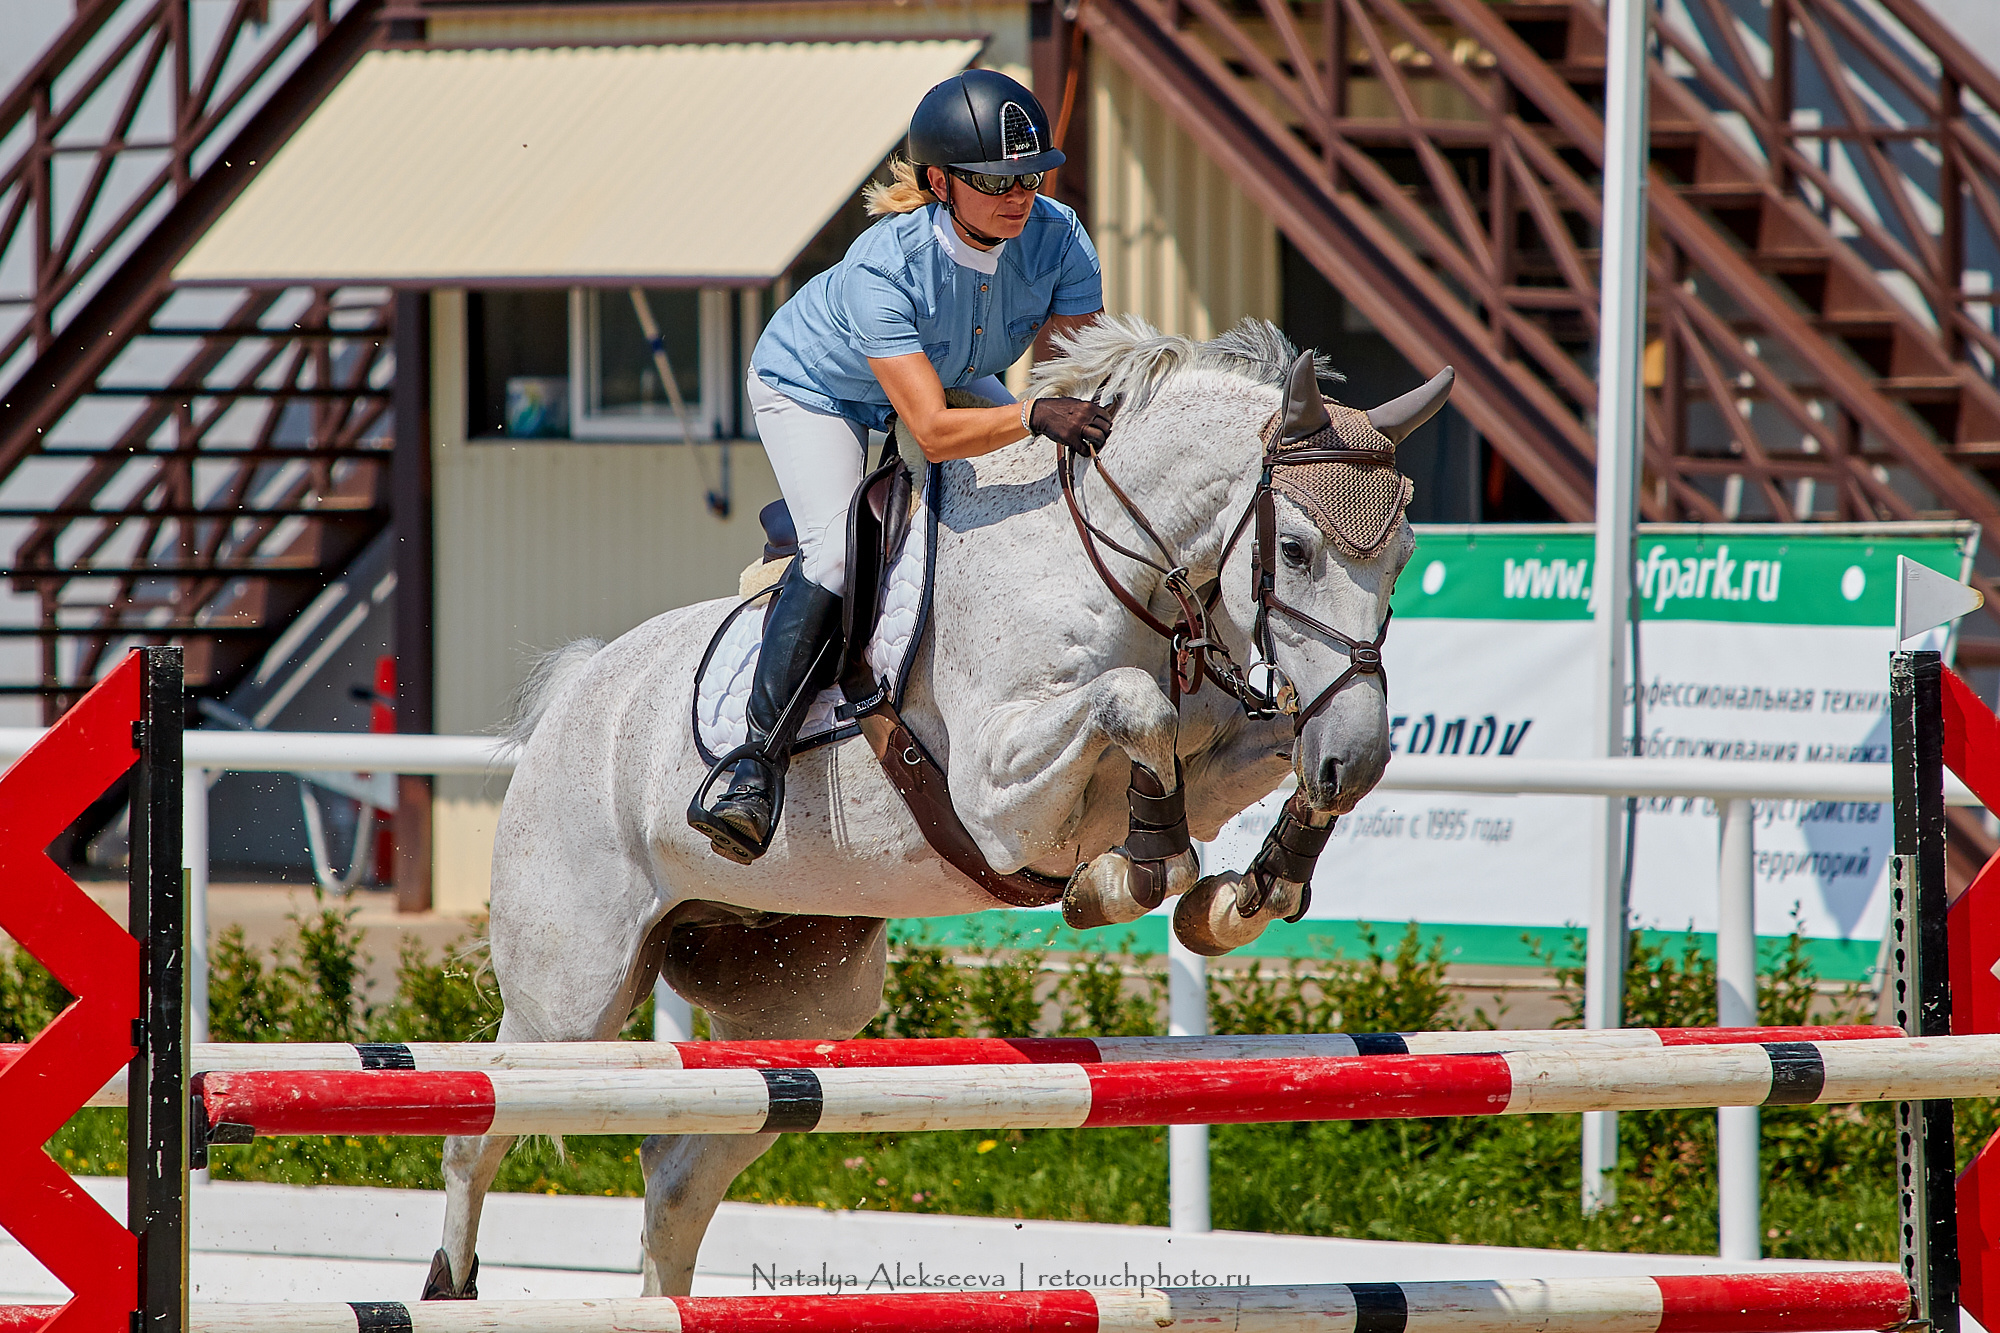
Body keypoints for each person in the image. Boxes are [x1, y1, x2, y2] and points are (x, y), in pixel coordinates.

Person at [688, 68, 1117, 864]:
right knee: (834, 553)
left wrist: (1059, 422)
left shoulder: (1060, 238)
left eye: (1030, 177)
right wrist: (1030, 415)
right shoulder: (883, 266)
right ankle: (753, 764)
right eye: (996, 182)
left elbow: (1077, 384)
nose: (1020, 197)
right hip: (816, 390)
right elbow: (935, 430)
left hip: (946, 371)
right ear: (940, 183)